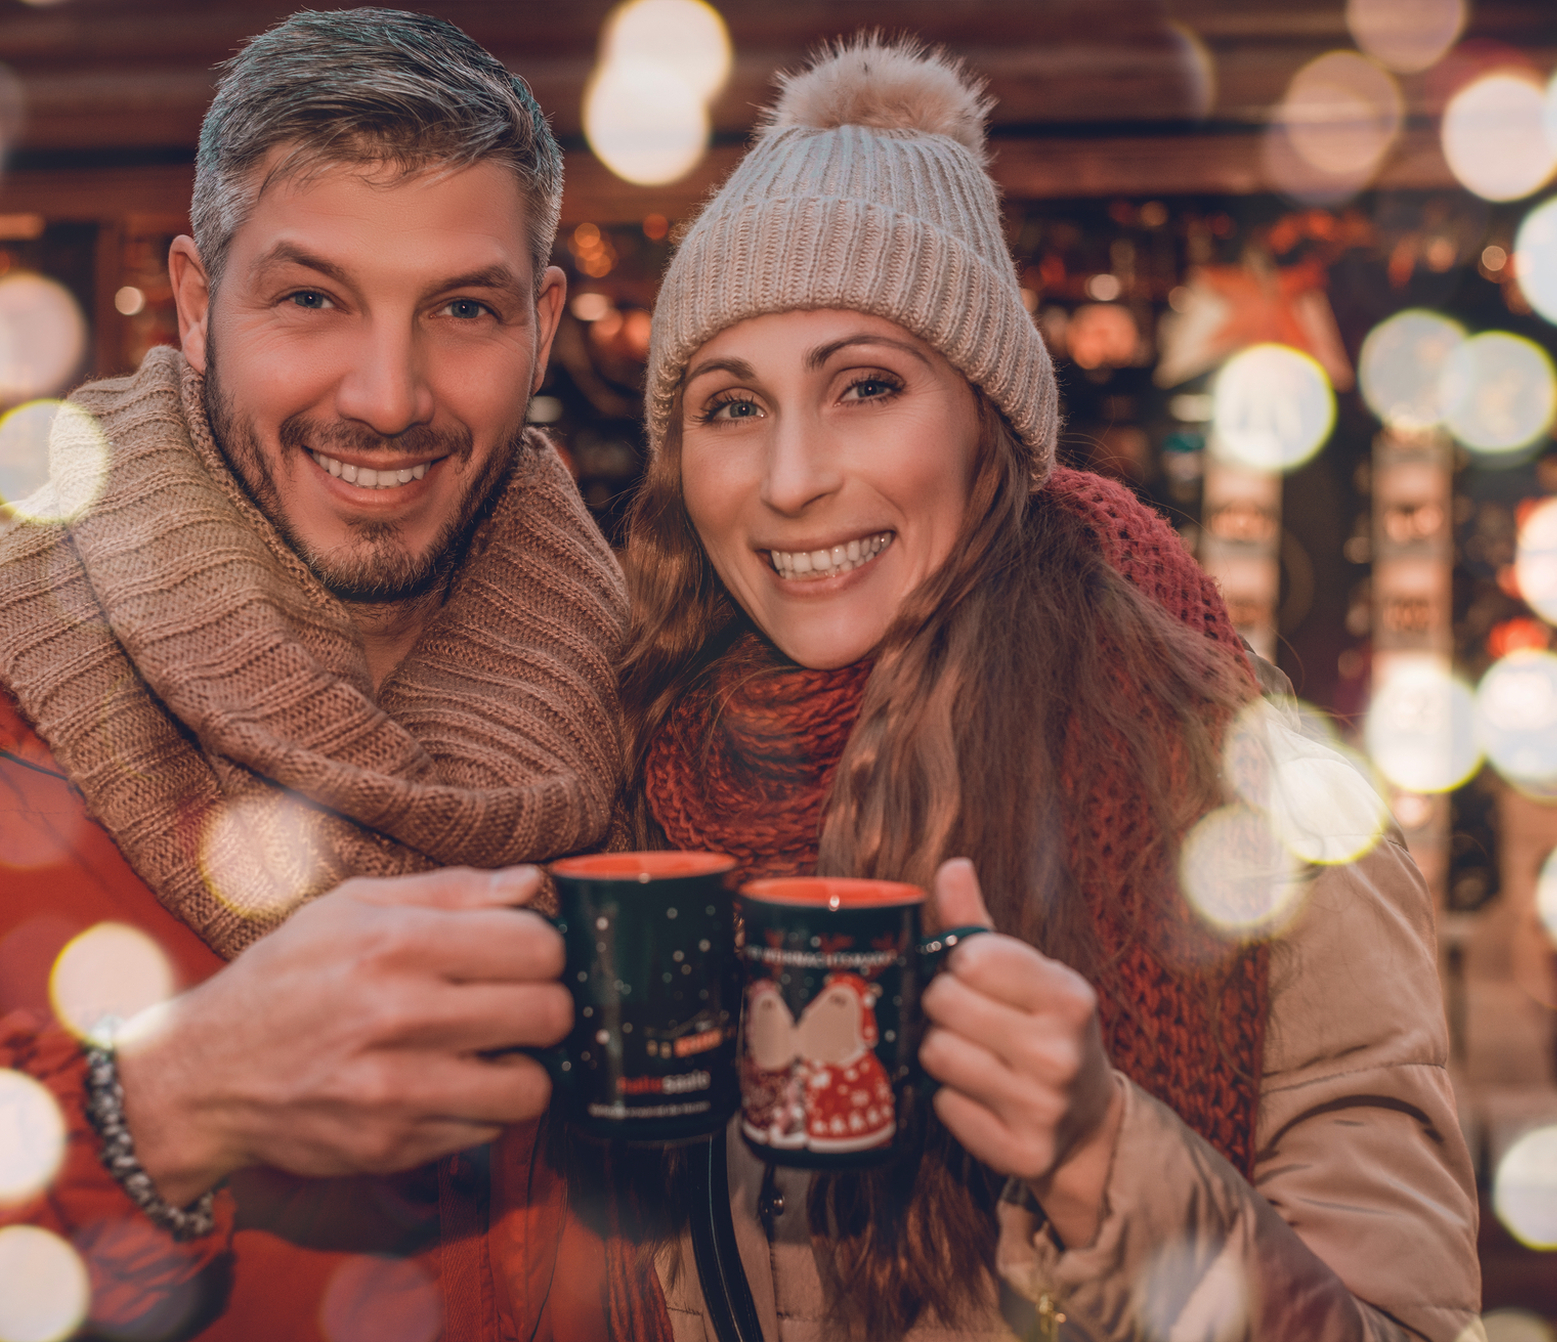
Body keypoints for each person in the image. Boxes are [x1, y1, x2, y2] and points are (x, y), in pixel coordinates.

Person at [0, 11, 618, 1339]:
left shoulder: (655, 698)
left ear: (542, 323)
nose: (389, 395)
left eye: (464, 308)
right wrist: (157, 1105)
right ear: (202, 305)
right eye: (312, 299)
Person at [607, 37, 1483, 1341]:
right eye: (731, 405)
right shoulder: (642, 787)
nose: (789, 477)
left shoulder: (1254, 801)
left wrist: (1099, 1151)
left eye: (865, 386)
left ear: (985, 421)